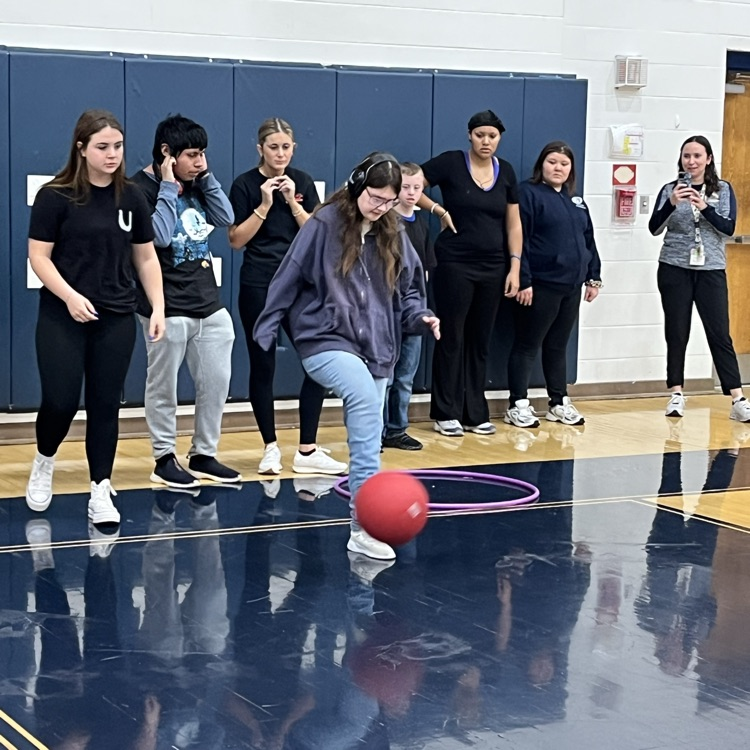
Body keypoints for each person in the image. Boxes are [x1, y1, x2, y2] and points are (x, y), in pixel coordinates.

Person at [254, 153, 440, 560]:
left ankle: (362, 527)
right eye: (375, 197)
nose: (382, 207)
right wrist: (267, 327)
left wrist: (422, 316)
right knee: (359, 395)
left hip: (376, 347)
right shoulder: (324, 224)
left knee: (369, 439)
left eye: (390, 201)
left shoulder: (393, 232)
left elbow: (408, 291)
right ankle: (363, 520)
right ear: (357, 187)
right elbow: (288, 273)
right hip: (323, 340)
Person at [25, 109, 165, 524]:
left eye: (118, 147)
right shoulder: (56, 196)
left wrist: (157, 305)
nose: (112, 155)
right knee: (61, 401)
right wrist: (69, 296)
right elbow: (39, 256)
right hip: (64, 314)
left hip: (117, 314)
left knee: (106, 404)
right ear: (82, 149)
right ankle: (44, 458)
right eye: (102, 147)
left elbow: (145, 256)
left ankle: (100, 488)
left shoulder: (132, 197)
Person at [229, 117, 347, 476]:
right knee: (262, 364)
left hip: (299, 284)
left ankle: (308, 449)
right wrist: (264, 205)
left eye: (285, 147)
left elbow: (317, 234)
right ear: (260, 149)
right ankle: (269, 447)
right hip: (260, 283)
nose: (279, 153)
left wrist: (292, 202)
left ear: (293, 149)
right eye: (273, 147)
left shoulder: (303, 182)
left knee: (319, 359)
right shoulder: (245, 184)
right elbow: (236, 240)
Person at [131, 114, 241, 488]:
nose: (200, 162)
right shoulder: (138, 189)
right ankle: (164, 458)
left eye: (203, 154)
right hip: (165, 307)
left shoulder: (198, 183)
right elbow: (159, 237)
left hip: (207, 303)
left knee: (216, 381)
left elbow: (226, 218)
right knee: (163, 387)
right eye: (193, 155)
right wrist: (166, 185)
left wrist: (204, 178)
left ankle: (204, 453)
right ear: (166, 153)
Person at [418, 109, 522, 437]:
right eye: (480, 135)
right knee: (452, 337)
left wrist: (515, 266)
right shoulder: (450, 162)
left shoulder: (505, 171)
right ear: (470, 135)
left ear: (499, 138)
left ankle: (475, 412)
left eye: (492, 136)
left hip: (494, 266)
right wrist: (436, 208)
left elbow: (513, 222)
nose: (486, 141)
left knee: (480, 340)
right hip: (454, 264)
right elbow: (410, 184)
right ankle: (445, 411)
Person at [649, 134, 750, 422]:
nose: (691, 161)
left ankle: (737, 397)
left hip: (711, 270)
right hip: (674, 268)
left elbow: (728, 228)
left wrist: (704, 206)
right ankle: (677, 393)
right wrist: (670, 203)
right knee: (677, 331)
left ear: (708, 159)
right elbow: (654, 228)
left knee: (719, 333)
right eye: (686, 156)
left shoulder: (723, 190)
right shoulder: (670, 189)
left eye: (697, 156)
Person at [505, 141, 601, 429]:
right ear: (541, 165)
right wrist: (524, 280)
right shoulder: (528, 194)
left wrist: (593, 276)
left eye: (564, 164)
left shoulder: (576, 201)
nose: (558, 168)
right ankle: (518, 403)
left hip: (570, 287)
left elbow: (589, 242)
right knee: (527, 344)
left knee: (558, 345)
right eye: (552, 162)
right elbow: (521, 240)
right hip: (541, 285)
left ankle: (558, 402)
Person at [382, 162, 437, 451]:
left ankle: (397, 429)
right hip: (386, 311)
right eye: (406, 187)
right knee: (384, 377)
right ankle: (375, 431)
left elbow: (424, 272)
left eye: (417, 188)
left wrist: (423, 312)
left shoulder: (423, 225)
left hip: (412, 311)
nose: (412, 193)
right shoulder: (385, 222)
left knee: (405, 376)